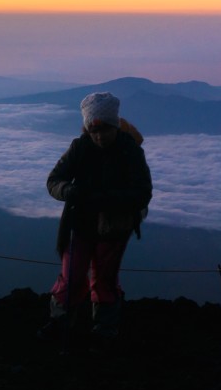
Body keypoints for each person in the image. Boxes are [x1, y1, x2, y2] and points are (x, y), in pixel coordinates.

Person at [40, 92, 151, 347]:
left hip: (113, 225)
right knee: (72, 275)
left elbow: (143, 192)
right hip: (80, 224)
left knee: (104, 277)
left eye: (105, 130)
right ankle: (62, 322)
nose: (99, 136)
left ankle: (103, 327)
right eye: (94, 131)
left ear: (114, 125)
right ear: (88, 129)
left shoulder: (129, 150)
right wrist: (67, 190)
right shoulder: (80, 147)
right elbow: (54, 181)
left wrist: (105, 199)